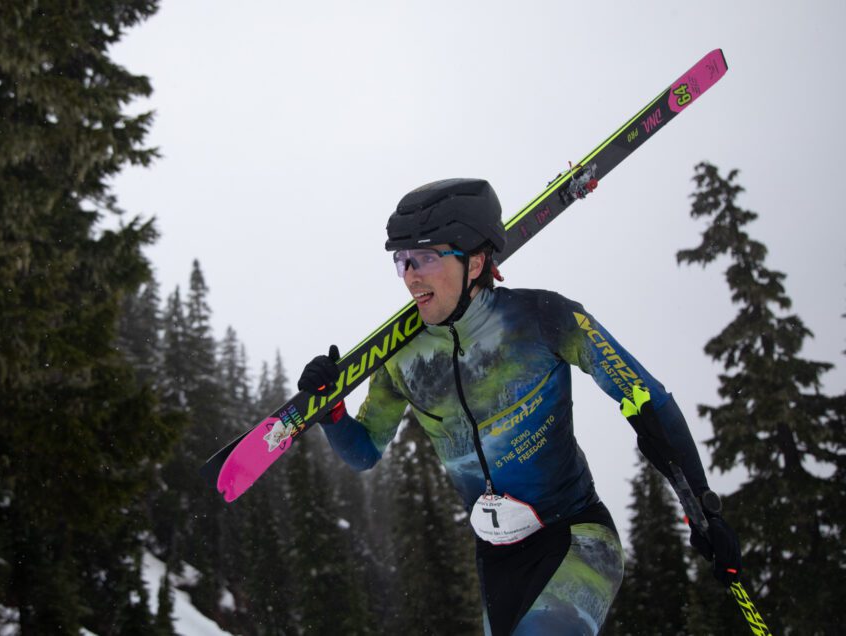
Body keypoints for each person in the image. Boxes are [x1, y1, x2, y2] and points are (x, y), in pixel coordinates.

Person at [297, 178, 742, 635]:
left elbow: (646, 402)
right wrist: (333, 415)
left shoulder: (546, 318)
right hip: (495, 561)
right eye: (402, 261)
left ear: (474, 260)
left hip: (574, 537)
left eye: (426, 257)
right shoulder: (399, 358)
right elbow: (365, 452)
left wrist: (704, 513)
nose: (411, 274)